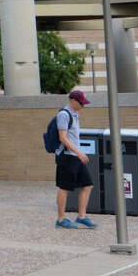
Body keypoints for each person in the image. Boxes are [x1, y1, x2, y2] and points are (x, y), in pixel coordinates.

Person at [55, 89, 98, 229]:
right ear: (73, 100)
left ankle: (82, 216)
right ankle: (61, 219)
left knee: (87, 184)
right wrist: (79, 152)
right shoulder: (63, 115)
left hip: (75, 156)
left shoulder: (75, 114)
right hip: (67, 156)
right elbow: (63, 138)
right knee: (64, 188)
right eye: (81, 103)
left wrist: (78, 153)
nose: (83, 106)